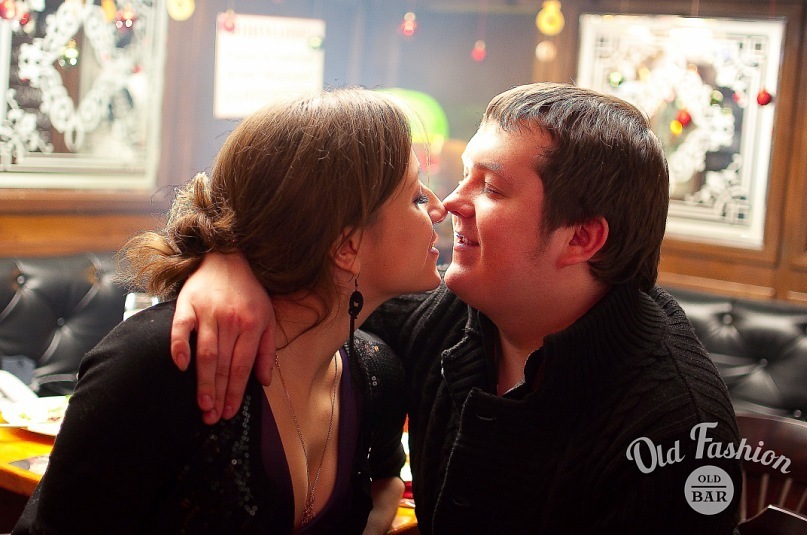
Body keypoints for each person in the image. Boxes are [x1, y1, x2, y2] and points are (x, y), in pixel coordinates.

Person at [168, 82, 742, 533]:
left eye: (491, 188)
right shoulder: (450, 313)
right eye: (466, 175)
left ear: (582, 238)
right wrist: (228, 257)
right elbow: (313, 290)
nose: (449, 203)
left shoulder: (675, 430)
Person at [13, 87, 447, 534]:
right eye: (417, 197)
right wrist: (220, 253)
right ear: (346, 246)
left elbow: (385, 483)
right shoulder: (166, 362)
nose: (440, 208)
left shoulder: (375, 376)